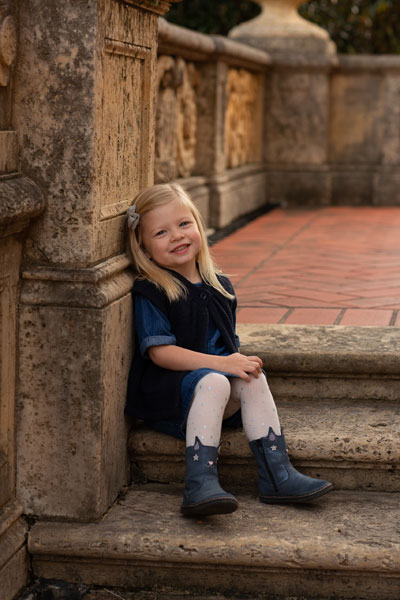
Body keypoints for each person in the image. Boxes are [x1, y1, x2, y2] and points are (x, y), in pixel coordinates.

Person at [125, 183, 333, 516]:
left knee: (252, 375)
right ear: (145, 248)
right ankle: (199, 484)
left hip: (213, 395)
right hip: (169, 401)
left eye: (183, 224)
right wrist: (222, 364)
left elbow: (227, 346)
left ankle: (278, 476)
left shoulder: (219, 285)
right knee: (217, 380)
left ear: (198, 225)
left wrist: (236, 363)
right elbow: (160, 353)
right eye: (161, 232)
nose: (177, 236)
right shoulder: (151, 289)